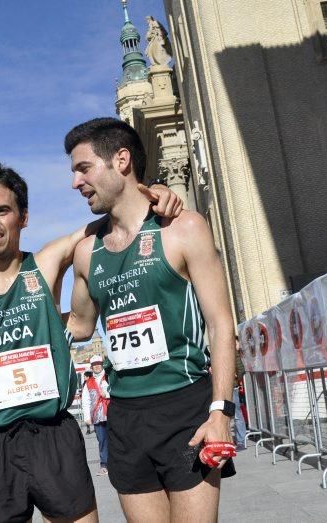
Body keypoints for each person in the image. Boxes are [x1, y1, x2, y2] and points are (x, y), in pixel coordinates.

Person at [0, 163, 182, 522]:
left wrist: (152, 194)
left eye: (2, 211)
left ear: (23, 217)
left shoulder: (45, 265)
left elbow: (104, 223)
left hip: (52, 435)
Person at [65, 117, 237, 522]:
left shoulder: (183, 228)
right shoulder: (87, 252)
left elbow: (221, 324)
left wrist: (221, 411)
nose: (75, 182)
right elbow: (80, 326)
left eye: (83, 168)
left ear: (121, 160)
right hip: (125, 416)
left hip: (185, 405)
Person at [80, 355, 109, 476]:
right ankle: (104, 465)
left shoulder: (109, 377)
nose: (97, 366)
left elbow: (117, 390)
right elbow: (85, 400)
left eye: (99, 363)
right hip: (97, 416)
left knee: (116, 439)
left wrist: (106, 394)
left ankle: (119, 463)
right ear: (91, 367)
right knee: (102, 440)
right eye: (94, 364)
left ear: (102, 364)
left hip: (111, 413)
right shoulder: (88, 383)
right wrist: (87, 416)